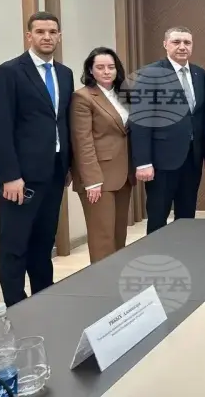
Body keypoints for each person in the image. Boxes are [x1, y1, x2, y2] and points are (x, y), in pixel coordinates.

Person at [0, 11, 74, 306]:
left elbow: (62, 122)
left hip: (54, 174)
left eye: (52, 32)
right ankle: (15, 306)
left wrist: (67, 165)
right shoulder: (8, 72)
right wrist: (10, 175)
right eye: (40, 32)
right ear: (29, 36)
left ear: (59, 36)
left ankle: (43, 298)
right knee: (15, 245)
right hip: (20, 178)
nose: (47, 37)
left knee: (43, 242)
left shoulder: (64, 74)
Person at [130, 26, 205, 234]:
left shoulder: (200, 74)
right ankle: (156, 253)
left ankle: (184, 250)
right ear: (165, 44)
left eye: (187, 42)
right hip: (161, 161)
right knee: (158, 215)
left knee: (187, 215)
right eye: (176, 42)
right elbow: (140, 119)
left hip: (192, 158)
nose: (182, 47)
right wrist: (143, 162)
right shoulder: (150, 74)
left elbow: (201, 116)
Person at [70, 47, 133, 264]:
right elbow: (82, 142)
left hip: (123, 175)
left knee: (118, 235)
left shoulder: (122, 95)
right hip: (98, 178)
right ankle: (102, 282)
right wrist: (92, 181)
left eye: (111, 67)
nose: (106, 71)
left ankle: (115, 279)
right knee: (102, 238)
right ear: (90, 70)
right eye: (100, 67)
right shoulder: (83, 97)